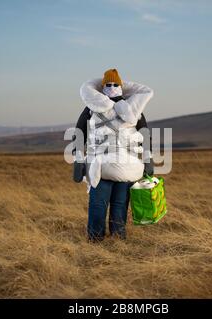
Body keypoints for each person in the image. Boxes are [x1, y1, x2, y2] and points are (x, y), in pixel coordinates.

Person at [72, 68, 154, 241]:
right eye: (107, 84)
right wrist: (78, 159)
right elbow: (80, 132)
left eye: (115, 84)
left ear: (121, 87)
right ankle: (97, 239)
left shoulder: (133, 110)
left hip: (124, 166)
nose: (111, 87)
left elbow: (145, 134)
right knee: (99, 205)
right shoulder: (92, 109)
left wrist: (148, 160)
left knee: (119, 205)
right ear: (102, 87)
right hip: (102, 167)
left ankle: (117, 239)